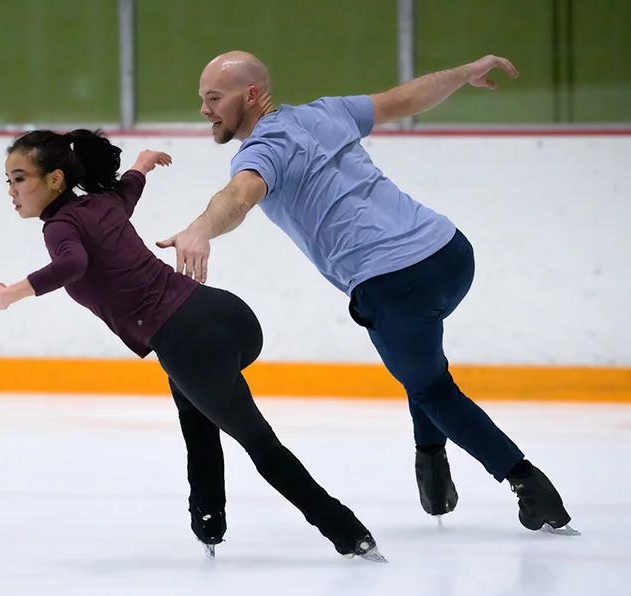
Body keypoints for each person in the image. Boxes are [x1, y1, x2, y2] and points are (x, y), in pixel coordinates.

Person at [157, 51, 577, 535]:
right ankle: (432, 461)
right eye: (202, 99)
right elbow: (405, 99)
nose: (206, 110)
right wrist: (462, 74)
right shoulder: (327, 112)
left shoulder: (262, 151)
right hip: (451, 254)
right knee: (420, 366)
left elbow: (236, 197)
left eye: (214, 98)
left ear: (251, 95)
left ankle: (526, 482)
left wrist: (199, 229)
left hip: (395, 284)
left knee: (432, 388)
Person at [0, 128, 387, 561]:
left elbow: (72, 263)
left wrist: (12, 292)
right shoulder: (102, 204)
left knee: (260, 444)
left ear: (55, 179)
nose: (12, 191)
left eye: (19, 179)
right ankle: (208, 521)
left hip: (189, 340)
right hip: (226, 315)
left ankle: (350, 534)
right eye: (8, 180)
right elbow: (128, 191)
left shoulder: (60, 225)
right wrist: (142, 164)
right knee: (195, 413)